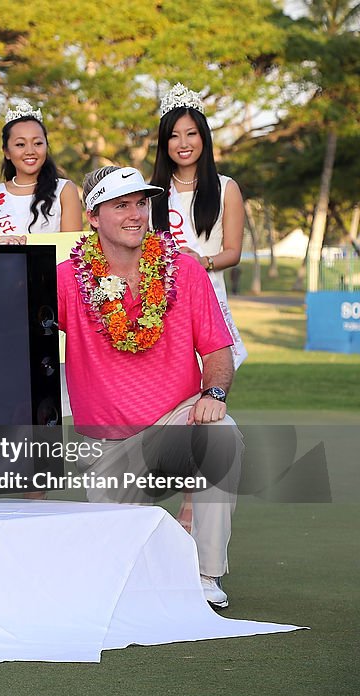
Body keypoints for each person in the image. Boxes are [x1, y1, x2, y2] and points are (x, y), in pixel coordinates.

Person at [57, 165, 241, 609]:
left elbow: (218, 349)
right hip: (106, 451)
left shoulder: (184, 270)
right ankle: (160, 540)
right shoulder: (67, 279)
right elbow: (11, 317)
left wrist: (213, 395)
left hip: (170, 430)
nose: (136, 214)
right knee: (119, 580)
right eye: (121, 205)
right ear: (94, 216)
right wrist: (10, 252)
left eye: (141, 202)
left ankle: (204, 573)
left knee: (221, 433)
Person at [149, 83, 248, 529]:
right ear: (164, 143)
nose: (183, 144)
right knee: (172, 406)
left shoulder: (225, 188)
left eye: (191, 134)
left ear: (204, 138)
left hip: (210, 304)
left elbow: (232, 251)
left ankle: (191, 508)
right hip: (162, 312)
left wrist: (198, 261)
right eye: (174, 136)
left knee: (204, 408)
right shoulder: (151, 193)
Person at [0, 100, 82, 239]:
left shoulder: (64, 190)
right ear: (6, 152)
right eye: (20, 144)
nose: (30, 151)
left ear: (46, 146)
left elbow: (71, 249)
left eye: (38, 143)